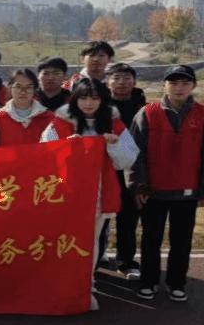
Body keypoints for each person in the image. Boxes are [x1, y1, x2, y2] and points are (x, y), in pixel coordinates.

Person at [129, 64, 204, 303]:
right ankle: (148, 282)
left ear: (193, 86)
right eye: (173, 83)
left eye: (185, 83)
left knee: (182, 241)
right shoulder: (147, 113)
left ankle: (176, 283)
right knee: (150, 239)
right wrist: (138, 185)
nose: (179, 88)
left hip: (187, 192)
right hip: (153, 191)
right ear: (164, 85)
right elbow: (134, 153)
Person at [41, 78, 138, 309]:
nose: (88, 103)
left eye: (94, 98)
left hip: (98, 193)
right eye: (83, 97)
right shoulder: (61, 121)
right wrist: (67, 147)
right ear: (75, 99)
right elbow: (44, 154)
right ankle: (61, 282)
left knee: (90, 240)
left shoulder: (113, 123)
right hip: (66, 193)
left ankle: (86, 284)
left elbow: (129, 159)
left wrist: (113, 145)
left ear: (103, 100)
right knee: (63, 238)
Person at [106, 62, 148, 279]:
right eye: (116, 78)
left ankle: (126, 261)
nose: (121, 83)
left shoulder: (145, 109)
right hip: (105, 170)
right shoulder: (99, 106)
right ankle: (95, 258)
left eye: (126, 78)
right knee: (99, 217)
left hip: (133, 169)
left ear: (134, 82)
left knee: (129, 218)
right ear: (108, 82)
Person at [0, 69, 55, 146]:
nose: (23, 92)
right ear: (10, 88)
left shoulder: (50, 118)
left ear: (34, 89)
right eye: (18, 87)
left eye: (28, 87)